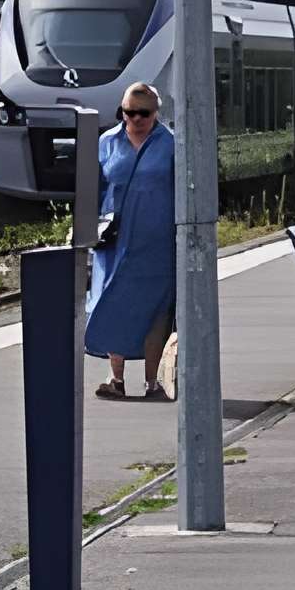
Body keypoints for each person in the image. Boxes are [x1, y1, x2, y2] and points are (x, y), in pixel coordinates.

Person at [85, 81, 176, 398]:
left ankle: (152, 382)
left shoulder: (172, 144)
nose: (135, 119)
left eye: (143, 113)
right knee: (111, 303)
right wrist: (88, 229)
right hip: (114, 242)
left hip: (157, 240)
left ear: (156, 113)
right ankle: (116, 379)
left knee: (155, 309)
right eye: (128, 112)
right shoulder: (107, 142)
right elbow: (93, 188)